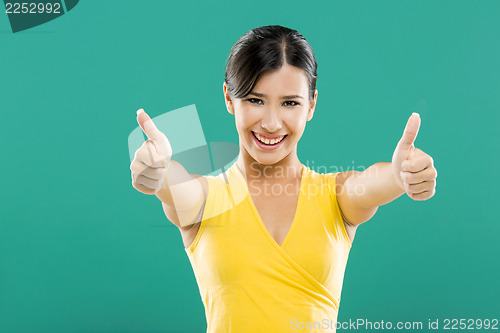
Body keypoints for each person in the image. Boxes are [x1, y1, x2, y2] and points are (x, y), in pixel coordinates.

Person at [130, 25, 438, 332]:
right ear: (228, 97)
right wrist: (158, 169)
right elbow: (177, 185)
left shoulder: (337, 196)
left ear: (311, 105)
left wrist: (399, 177)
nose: (272, 123)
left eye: (290, 103)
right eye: (255, 100)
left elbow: (371, 184)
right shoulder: (206, 198)